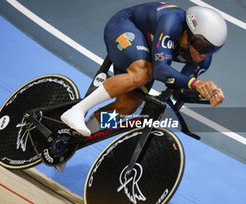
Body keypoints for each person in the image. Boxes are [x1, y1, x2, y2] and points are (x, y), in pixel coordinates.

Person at [61, 2, 227, 136]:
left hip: (148, 49)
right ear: (190, 34)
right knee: (143, 73)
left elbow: (179, 92)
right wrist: (197, 83)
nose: (205, 54)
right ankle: (77, 110)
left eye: (212, 49)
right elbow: (160, 69)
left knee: (129, 106)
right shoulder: (172, 22)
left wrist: (205, 93)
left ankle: (75, 136)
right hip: (125, 26)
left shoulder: (203, 59)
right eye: (202, 46)